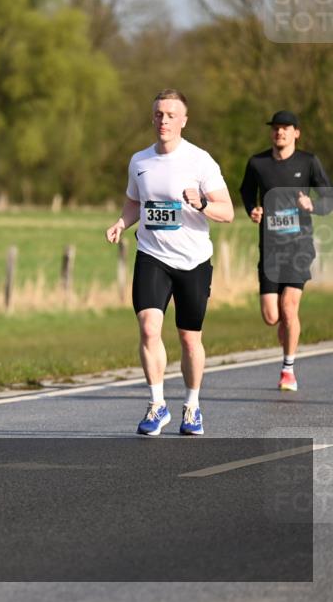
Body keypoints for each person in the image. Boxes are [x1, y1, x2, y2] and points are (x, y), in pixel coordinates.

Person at [105, 89, 234, 436]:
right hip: (152, 255)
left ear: (184, 121)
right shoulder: (140, 161)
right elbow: (135, 202)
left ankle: (191, 406)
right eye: (159, 114)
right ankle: (157, 404)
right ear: (152, 118)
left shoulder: (200, 161)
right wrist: (121, 222)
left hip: (193, 260)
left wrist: (203, 204)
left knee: (189, 339)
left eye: (171, 115)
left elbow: (228, 211)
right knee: (148, 328)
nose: (164, 120)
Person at [239, 110, 332, 392]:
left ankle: (288, 369)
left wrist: (313, 206)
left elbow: (328, 197)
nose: (280, 133)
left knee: (289, 308)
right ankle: (285, 328)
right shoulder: (258, 163)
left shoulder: (308, 162)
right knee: (272, 316)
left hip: (299, 247)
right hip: (269, 248)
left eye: (285, 128)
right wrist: (252, 210)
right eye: (276, 129)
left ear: (296, 133)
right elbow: (246, 192)